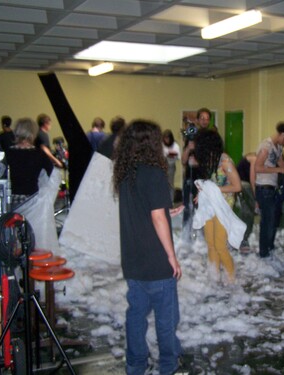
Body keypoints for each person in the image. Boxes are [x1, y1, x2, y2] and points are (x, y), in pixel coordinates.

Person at [113, 119, 182, 375]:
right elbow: (155, 217)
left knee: (136, 316)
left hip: (133, 260)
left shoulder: (126, 172)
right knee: (166, 320)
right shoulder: (154, 172)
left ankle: (135, 365)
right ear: (151, 143)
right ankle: (167, 366)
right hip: (156, 262)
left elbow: (148, 211)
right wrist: (172, 257)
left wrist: (166, 211)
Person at [193, 129, 242, 283]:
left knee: (220, 245)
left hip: (224, 206)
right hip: (209, 205)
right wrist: (201, 192)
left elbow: (237, 187)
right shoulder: (208, 160)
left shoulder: (225, 162)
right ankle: (214, 276)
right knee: (211, 243)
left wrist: (215, 190)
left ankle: (231, 278)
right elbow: (208, 182)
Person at [255, 121, 284, 258]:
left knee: (273, 222)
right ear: (282, 135)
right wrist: (279, 170)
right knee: (267, 223)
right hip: (263, 188)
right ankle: (264, 254)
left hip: (272, 189)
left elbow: (282, 164)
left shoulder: (278, 147)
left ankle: (269, 250)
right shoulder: (266, 146)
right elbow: (257, 167)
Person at [181, 107, 214, 241]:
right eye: (202, 118)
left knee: (204, 208)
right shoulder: (192, 135)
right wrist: (189, 148)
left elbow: (214, 160)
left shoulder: (212, 138)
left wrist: (199, 163)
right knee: (188, 208)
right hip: (190, 179)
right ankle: (186, 236)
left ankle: (203, 238)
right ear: (198, 120)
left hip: (205, 179)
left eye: (207, 119)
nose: (204, 121)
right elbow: (183, 161)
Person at [6, 118, 54, 208]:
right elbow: (51, 173)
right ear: (33, 133)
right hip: (32, 199)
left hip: (12, 199)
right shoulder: (39, 154)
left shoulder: (7, 153)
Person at [235, 152, 257, 253]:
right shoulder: (254, 158)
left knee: (246, 212)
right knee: (248, 212)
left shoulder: (251, 157)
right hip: (243, 184)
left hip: (239, 183)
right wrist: (255, 196)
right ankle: (242, 240)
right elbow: (253, 179)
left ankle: (240, 239)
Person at [163, 129, 181, 203]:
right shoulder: (161, 144)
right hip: (162, 166)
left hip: (171, 166)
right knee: (162, 185)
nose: (166, 140)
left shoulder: (175, 145)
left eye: (168, 138)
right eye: (165, 138)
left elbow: (178, 157)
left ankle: (171, 202)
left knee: (170, 185)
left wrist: (170, 155)